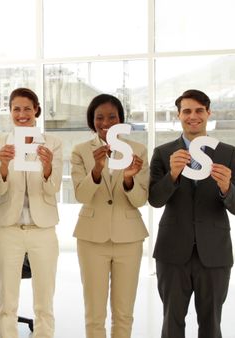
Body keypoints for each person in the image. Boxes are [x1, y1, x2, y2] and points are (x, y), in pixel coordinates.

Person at [149, 89, 235, 338]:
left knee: (211, 324)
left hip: (214, 253)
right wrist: (171, 175)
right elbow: (155, 200)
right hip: (172, 253)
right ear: (179, 115)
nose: (193, 116)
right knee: (171, 323)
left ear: (208, 113)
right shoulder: (163, 153)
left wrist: (226, 188)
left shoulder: (228, 153)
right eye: (187, 111)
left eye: (199, 110)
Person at [70, 94, 149, 338]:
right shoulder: (81, 151)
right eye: (99, 117)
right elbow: (81, 195)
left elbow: (140, 200)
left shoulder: (138, 150)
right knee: (94, 313)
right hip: (91, 239)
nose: (106, 122)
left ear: (121, 119)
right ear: (92, 121)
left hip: (129, 239)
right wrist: (96, 169)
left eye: (112, 116)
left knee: (124, 312)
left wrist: (128, 178)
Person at [0, 88, 63, 338]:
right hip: (9, 229)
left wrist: (48, 167)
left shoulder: (53, 143)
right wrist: (1, 165)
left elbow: (53, 188)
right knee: (7, 303)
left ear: (36, 111)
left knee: (44, 303)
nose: (22, 114)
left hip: (43, 230)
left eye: (27, 109)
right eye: (16, 109)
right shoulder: (0, 144)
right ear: (10, 112)